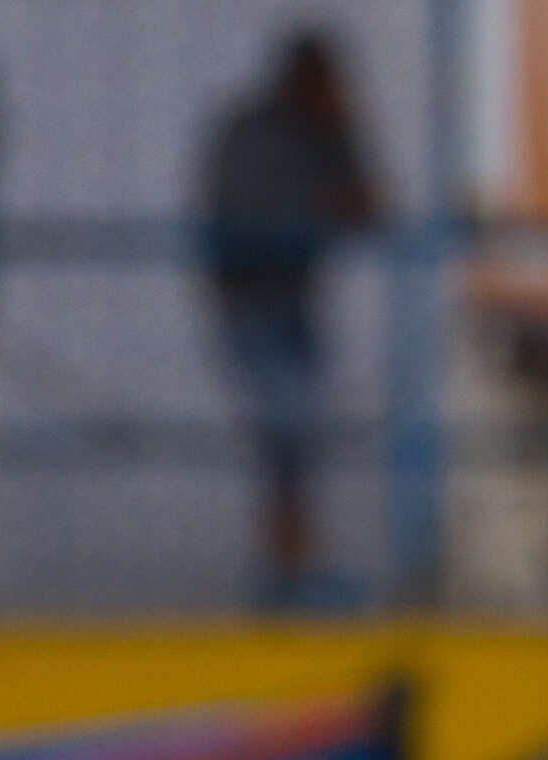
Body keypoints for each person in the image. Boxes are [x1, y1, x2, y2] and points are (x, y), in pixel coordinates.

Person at [202, 31, 378, 607]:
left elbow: (370, 208)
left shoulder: (324, 135)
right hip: (252, 307)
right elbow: (253, 216)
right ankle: (284, 576)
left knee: (297, 442)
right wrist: (317, 203)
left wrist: (341, 131)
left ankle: (290, 573)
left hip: (297, 309)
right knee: (287, 437)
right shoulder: (250, 134)